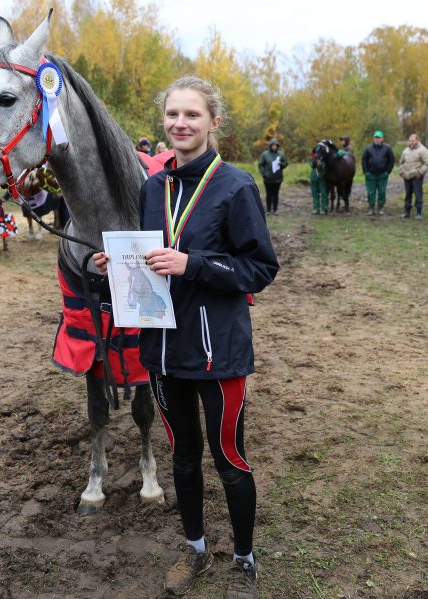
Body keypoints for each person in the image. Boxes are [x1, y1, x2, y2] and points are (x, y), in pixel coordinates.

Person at [94, 76, 278, 599]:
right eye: (173, 114)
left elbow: (260, 268)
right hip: (163, 351)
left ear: (213, 122)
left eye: (192, 115)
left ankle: (244, 559)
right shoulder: (154, 187)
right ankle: (195, 548)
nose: (181, 123)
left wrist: (191, 264)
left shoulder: (236, 186)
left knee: (229, 456)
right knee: (183, 454)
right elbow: (152, 253)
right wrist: (116, 265)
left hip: (218, 352)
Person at [398, 133, 428, 219]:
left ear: (417, 140)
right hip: (407, 176)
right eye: (409, 140)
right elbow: (401, 162)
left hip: (417, 176)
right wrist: (402, 171)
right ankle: (407, 211)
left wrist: (420, 172)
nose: (411, 142)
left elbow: (427, 163)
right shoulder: (406, 150)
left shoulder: (423, 150)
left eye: (412, 140)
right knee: (408, 194)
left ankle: (419, 212)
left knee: (418, 194)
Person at [361, 130, 394, 215]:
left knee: (382, 192)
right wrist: (366, 172)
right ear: (373, 138)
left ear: (382, 138)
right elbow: (364, 160)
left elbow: (391, 160)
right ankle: (371, 208)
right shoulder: (368, 148)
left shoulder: (387, 148)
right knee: (370, 192)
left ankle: (380, 208)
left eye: (378, 137)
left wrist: (388, 171)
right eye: (375, 137)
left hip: (382, 174)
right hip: (370, 174)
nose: (376, 139)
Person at [258, 138, 288, 214]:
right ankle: (268, 210)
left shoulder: (281, 154)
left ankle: (275, 210)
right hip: (268, 178)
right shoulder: (265, 154)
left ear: (278, 146)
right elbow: (260, 164)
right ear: (270, 146)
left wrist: (281, 164)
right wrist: (263, 174)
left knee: (275, 194)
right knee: (269, 194)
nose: (274, 147)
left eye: (276, 146)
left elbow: (285, 163)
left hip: (278, 178)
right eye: (273, 145)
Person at [309, 142, 327, 215]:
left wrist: (320, 165)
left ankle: (324, 208)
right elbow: (311, 164)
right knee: (315, 194)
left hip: (322, 178)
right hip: (314, 177)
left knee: (324, 193)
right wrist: (314, 162)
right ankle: (316, 208)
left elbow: (324, 166)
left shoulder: (325, 158)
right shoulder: (313, 157)